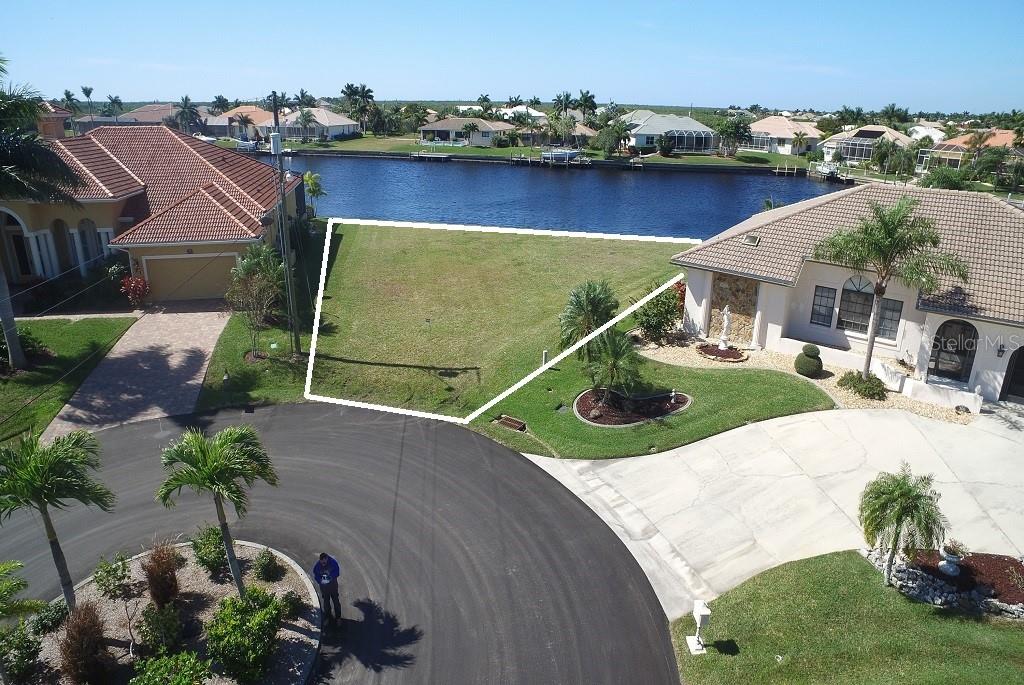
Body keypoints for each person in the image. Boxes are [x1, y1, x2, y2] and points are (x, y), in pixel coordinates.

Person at [312, 552, 341, 624]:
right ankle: (327, 617)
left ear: (327, 559)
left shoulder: (333, 563)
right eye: (321, 562)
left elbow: (337, 572)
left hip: (333, 586)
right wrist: (320, 581)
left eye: (324, 562)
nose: (323, 564)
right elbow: (316, 575)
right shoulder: (317, 566)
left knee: (336, 602)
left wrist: (330, 578)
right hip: (324, 588)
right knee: (326, 603)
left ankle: (338, 618)